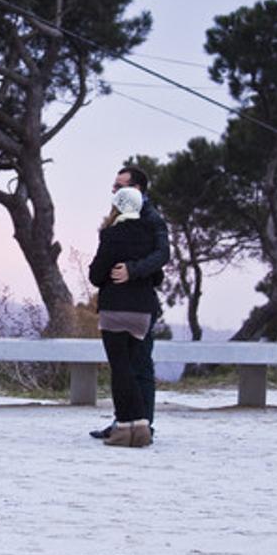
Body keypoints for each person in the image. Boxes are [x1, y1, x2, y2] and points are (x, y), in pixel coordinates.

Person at [90, 166, 170, 439]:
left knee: (136, 366)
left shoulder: (151, 220)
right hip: (141, 305)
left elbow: (162, 255)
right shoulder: (131, 221)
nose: (113, 190)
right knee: (131, 364)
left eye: (118, 186)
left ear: (135, 189)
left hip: (126, 304)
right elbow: (158, 271)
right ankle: (131, 422)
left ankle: (138, 422)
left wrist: (131, 270)